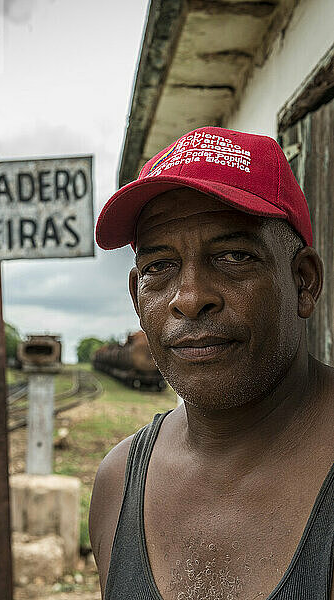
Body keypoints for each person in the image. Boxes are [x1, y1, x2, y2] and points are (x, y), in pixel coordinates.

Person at [89, 126, 334, 600]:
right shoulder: (118, 484)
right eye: (160, 266)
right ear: (138, 300)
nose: (190, 298)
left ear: (303, 282)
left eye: (233, 255)